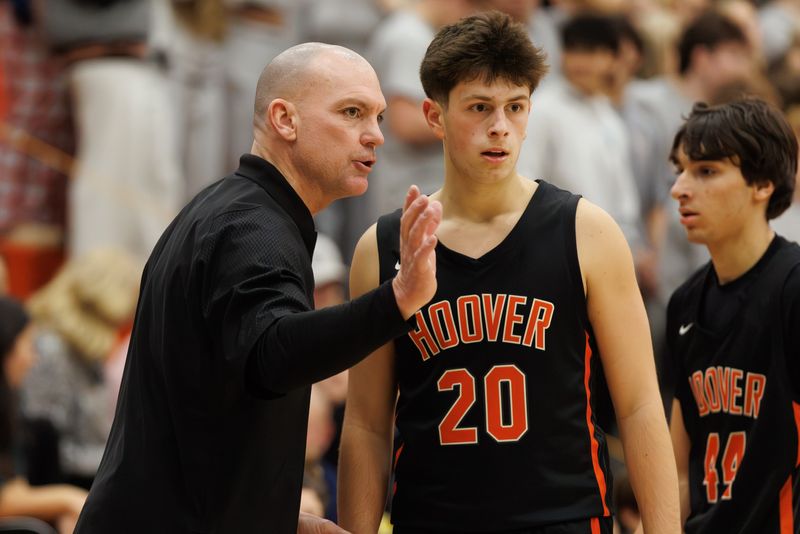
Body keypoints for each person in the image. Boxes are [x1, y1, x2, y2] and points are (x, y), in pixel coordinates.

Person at [74, 42, 442, 534]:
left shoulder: (225, 211)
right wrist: (397, 299)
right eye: (352, 112)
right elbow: (272, 354)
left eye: (377, 116)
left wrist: (274, 519)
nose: (375, 135)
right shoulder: (254, 227)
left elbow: (207, 407)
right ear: (284, 120)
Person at [338, 11, 679, 534]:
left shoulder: (587, 231)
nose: (500, 126)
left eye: (515, 107)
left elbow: (637, 406)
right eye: (479, 107)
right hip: (432, 520)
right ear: (435, 116)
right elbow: (364, 425)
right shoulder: (383, 247)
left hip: (562, 519)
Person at [666, 98, 800, 532]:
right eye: (680, 170)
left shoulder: (793, 287)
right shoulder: (684, 303)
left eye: (706, 171)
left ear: (761, 183)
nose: (680, 188)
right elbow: (679, 471)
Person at [0, 296, 88, 534]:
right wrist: (69, 499)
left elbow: (14, 490)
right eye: (28, 345)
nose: (33, 358)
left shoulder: (11, 408)